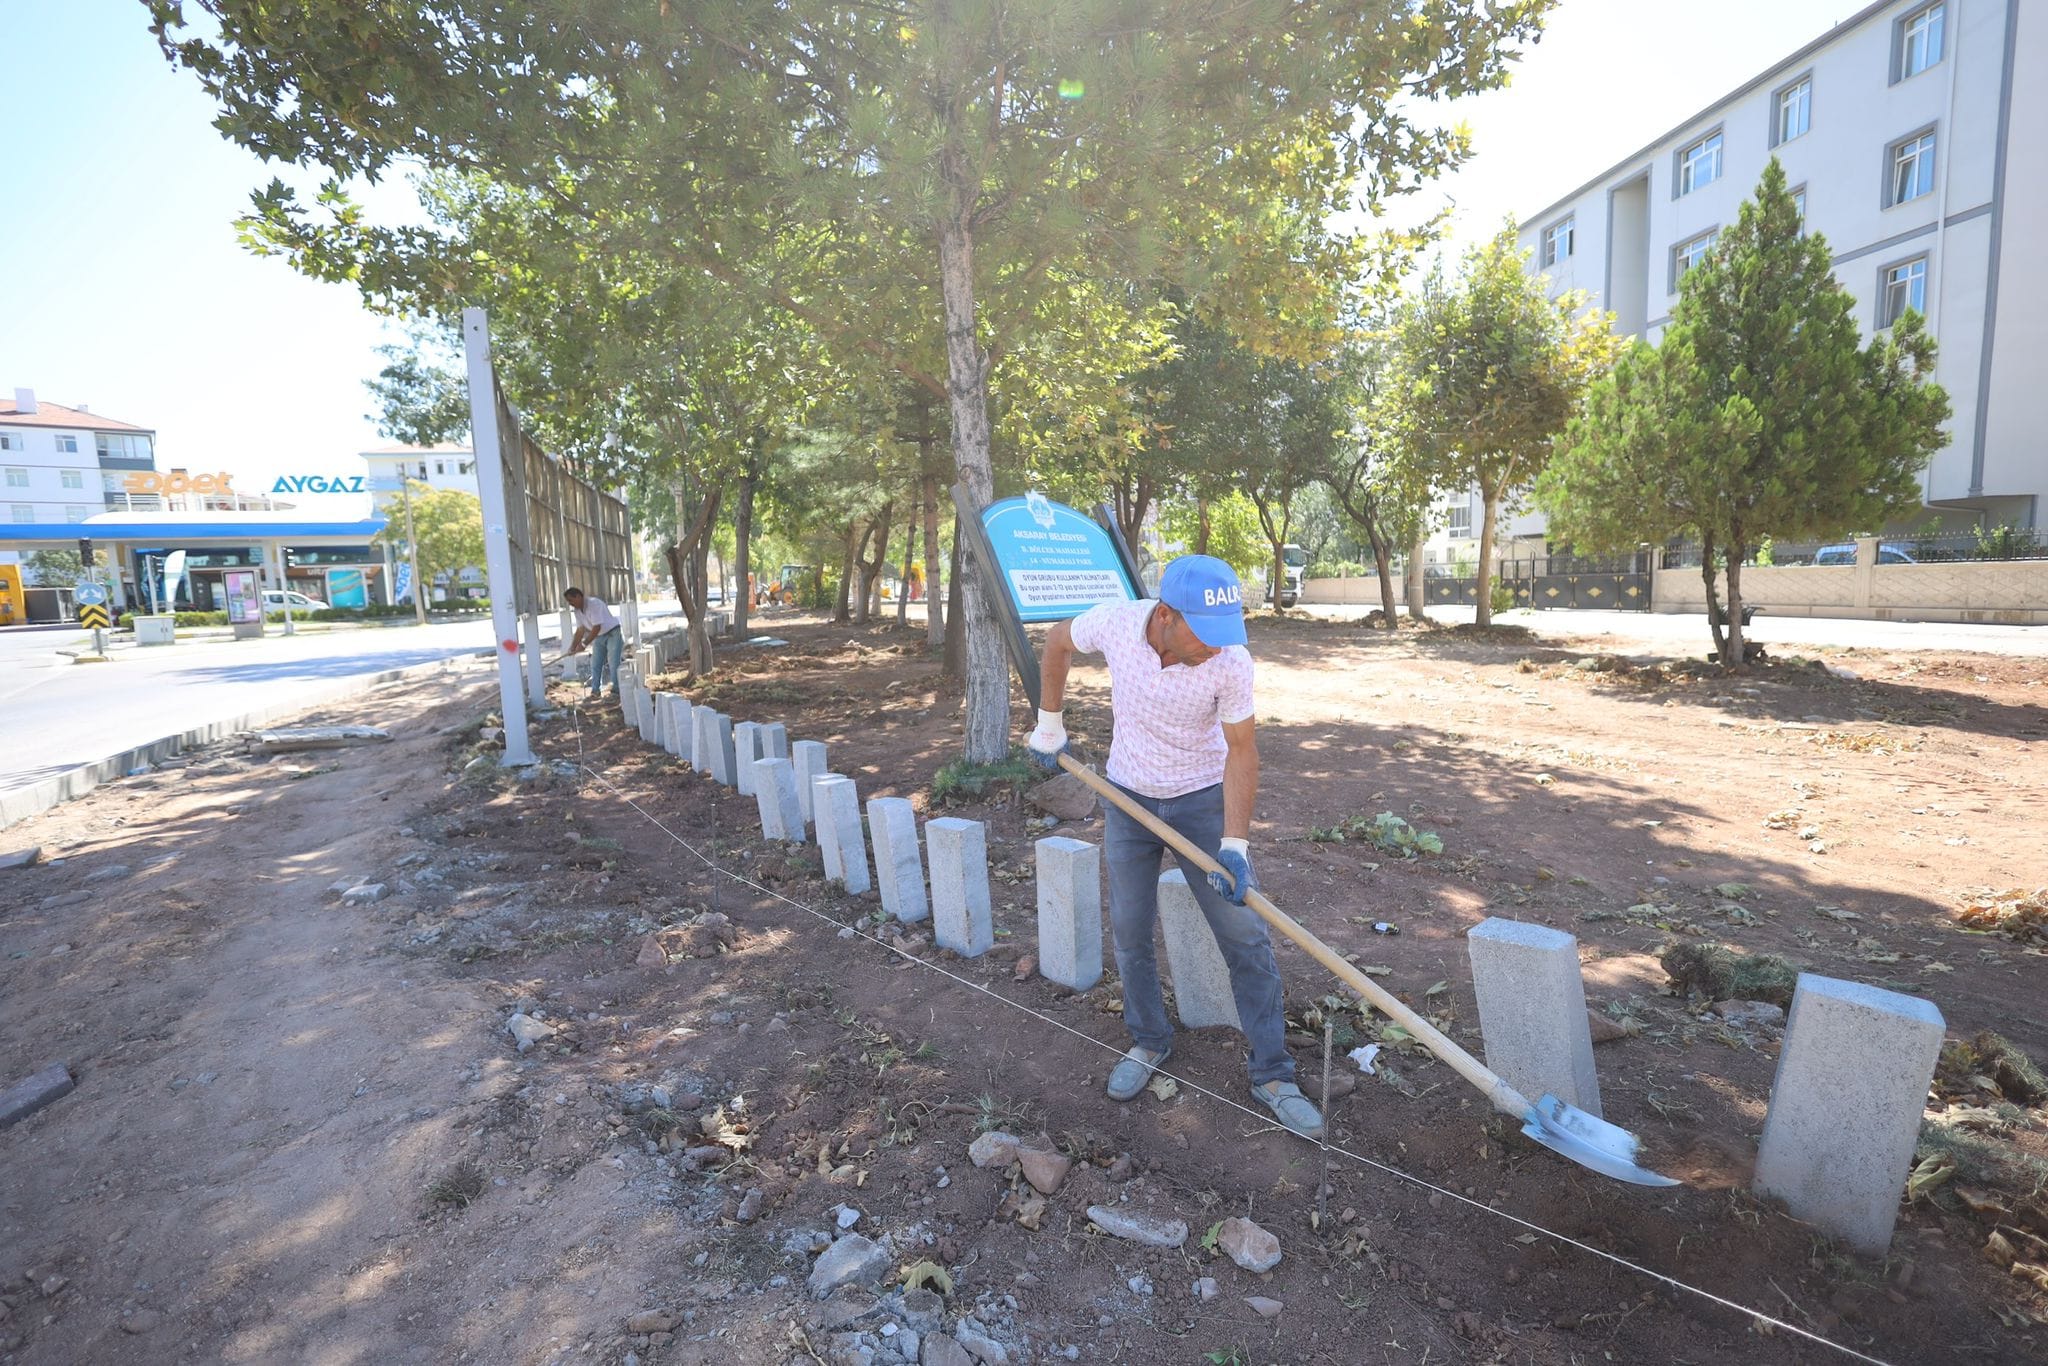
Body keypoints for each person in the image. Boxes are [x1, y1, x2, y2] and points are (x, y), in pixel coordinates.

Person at [1028, 555, 1323, 1140]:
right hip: (1128, 799)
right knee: (1131, 930)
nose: (1217, 649)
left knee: (1244, 934)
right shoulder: (1116, 624)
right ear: (1165, 616)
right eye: (1206, 636)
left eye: (1225, 637)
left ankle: (1272, 1073)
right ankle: (1149, 1040)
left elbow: (1242, 751)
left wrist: (1234, 843)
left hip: (1200, 805)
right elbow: (1056, 643)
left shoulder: (1230, 662)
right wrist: (1048, 720)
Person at [563, 586, 623, 699]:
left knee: (613, 662)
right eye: (568, 601)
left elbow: (596, 627)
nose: (570, 603)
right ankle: (595, 691)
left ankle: (616, 691)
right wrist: (573, 647)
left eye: (571, 600)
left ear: (579, 596)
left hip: (612, 633)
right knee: (595, 663)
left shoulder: (593, 604)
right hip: (600, 636)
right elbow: (580, 630)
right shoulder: (577, 611)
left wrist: (584, 644)